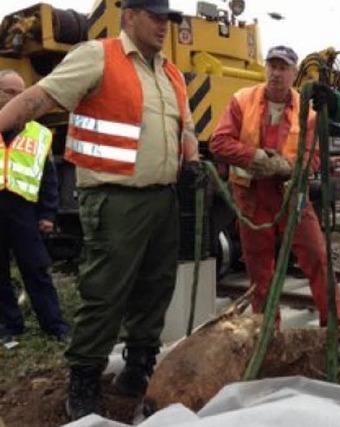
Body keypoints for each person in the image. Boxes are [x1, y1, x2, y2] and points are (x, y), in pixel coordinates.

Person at [0, 0, 200, 420]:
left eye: (168, 19)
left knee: (155, 287)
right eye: (156, 16)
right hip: (114, 199)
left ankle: (138, 365)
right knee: (105, 292)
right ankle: (85, 380)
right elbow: (40, 97)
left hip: (162, 198)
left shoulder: (171, 73)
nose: (164, 25)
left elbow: (186, 127)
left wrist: (193, 161)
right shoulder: (98, 56)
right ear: (129, 16)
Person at [210, 45, 340, 360]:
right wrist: (255, 157)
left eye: (283, 67)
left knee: (317, 258)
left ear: (294, 73)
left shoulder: (310, 112)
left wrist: (292, 169)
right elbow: (219, 142)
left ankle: (336, 330)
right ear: (266, 69)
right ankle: (268, 336)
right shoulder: (242, 101)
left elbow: (313, 156)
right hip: (251, 196)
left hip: (292, 195)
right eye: (272, 66)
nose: (276, 73)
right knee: (260, 270)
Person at [0, 69, 70, 343]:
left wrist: (48, 214)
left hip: (23, 211)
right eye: (10, 92)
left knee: (37, 270)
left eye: (21, 93)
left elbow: (49, 180)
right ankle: (9, 326)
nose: (16, 98)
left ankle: (55, 326)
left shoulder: (39, 134)